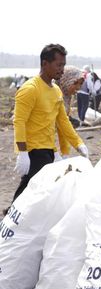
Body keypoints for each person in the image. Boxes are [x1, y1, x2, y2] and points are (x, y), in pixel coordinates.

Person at [11, 44, 88, 202]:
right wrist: (23, 153)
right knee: (29, 194)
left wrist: (78, 143)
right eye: (58, 65)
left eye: (63, 65)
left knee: (35, 194)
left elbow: (63, 121)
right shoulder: (30, 89)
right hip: (32, 151)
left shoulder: (56, 91)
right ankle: (11, 219)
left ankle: (12, 217)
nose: (62, 69)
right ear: (45, 64)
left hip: (48, 150)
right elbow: (19, 122)